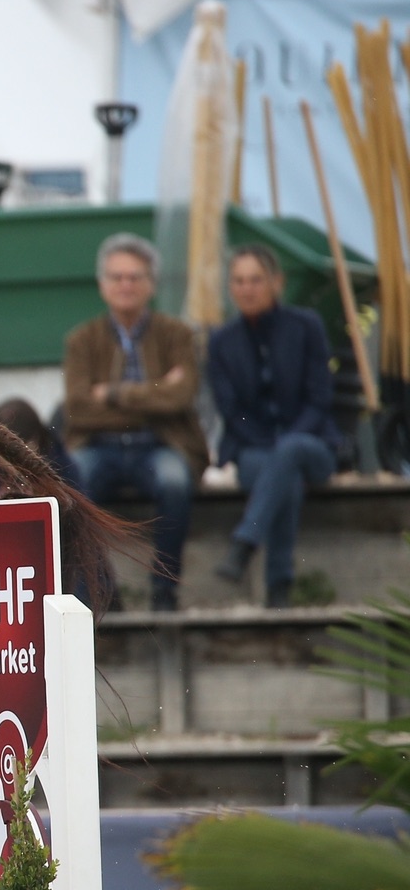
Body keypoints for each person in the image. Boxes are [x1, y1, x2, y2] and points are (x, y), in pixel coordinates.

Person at [61, 233, 206, 612]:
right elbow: (77, 408)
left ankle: (164, 589)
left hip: (160, 443)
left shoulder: (177, 335)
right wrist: (153, 394)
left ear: (152, 284)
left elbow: (181, 397)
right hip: (97, 445)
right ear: (102, 284)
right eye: (117, 276)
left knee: (175, 480)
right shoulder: (81, 340)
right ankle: (102, 590)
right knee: (71, 487)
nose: (126, 285)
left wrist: (111, 393)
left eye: (135, 276)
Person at [206, 244, 338, 608]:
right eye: (239, 281)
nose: (247, 289)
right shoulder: (221, 341)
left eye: (256, 280)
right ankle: (279, 589)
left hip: (310, 444)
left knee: (291, 451)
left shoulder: (305, 326)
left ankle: (245, 544)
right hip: (254, 449)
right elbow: (231, 411)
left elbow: (319, 398)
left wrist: (287, 439)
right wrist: (269, 443)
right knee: (285, 478)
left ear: (276, 282)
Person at [0, 398, 77, 503]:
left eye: (16, 454)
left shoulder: (60, 465)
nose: (11, 464)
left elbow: (79, 515)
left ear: (36, 442)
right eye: (2, 453)